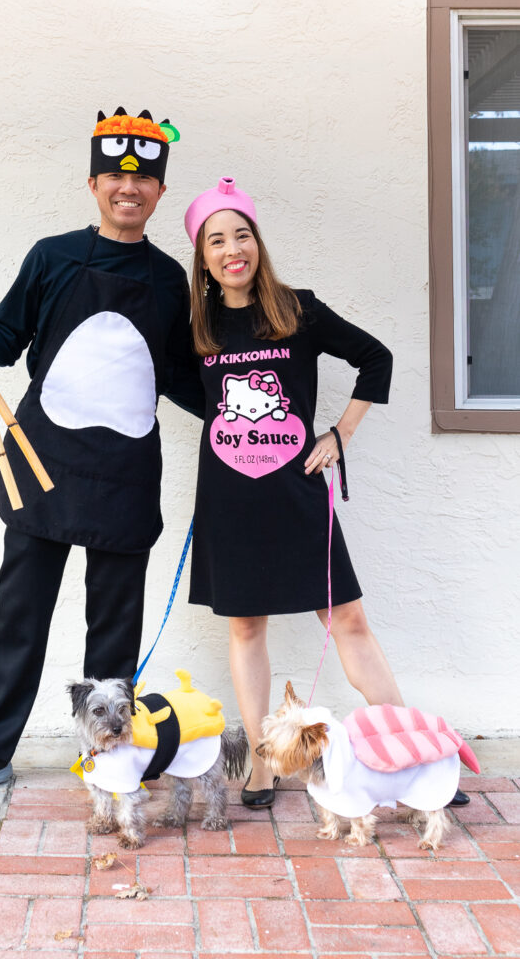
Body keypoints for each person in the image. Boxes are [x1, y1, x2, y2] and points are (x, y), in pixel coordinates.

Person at [0, 108, 203, 799]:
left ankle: (109, 752)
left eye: (144, 179)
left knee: (115, 619)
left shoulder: (165, 278)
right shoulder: (52, 255)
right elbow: (9, 331)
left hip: (125, 471)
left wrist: (240, 420)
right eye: (117, 178)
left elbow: (178, 373)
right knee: (20, 610)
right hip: (42, 462)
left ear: (159, 192)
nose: (130, 189)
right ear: (93, 184)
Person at [183, 177, 468, 809]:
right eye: (217, 240)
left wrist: (339, 433)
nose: (234, 249)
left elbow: (377, 358)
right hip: (231, 500)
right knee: (246, 627)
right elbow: (194, 399)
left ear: (258, 242)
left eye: (242, 235)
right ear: (202, 258)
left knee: (348, 619)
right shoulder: (195, 326)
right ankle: (263, 767)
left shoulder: (298, 309)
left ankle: (414, 752)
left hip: (297, 495)